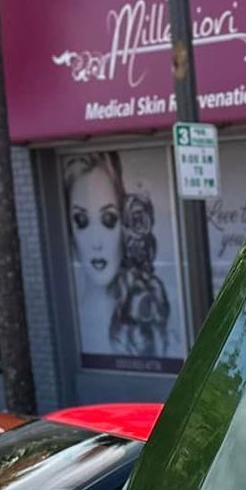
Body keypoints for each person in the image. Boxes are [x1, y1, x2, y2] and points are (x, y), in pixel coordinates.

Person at [63, 150, 175, 359]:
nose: (96, 243)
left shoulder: (149, 309)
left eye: (109, 219)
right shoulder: (72, 325)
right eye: (80, 220)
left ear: (125, 224)